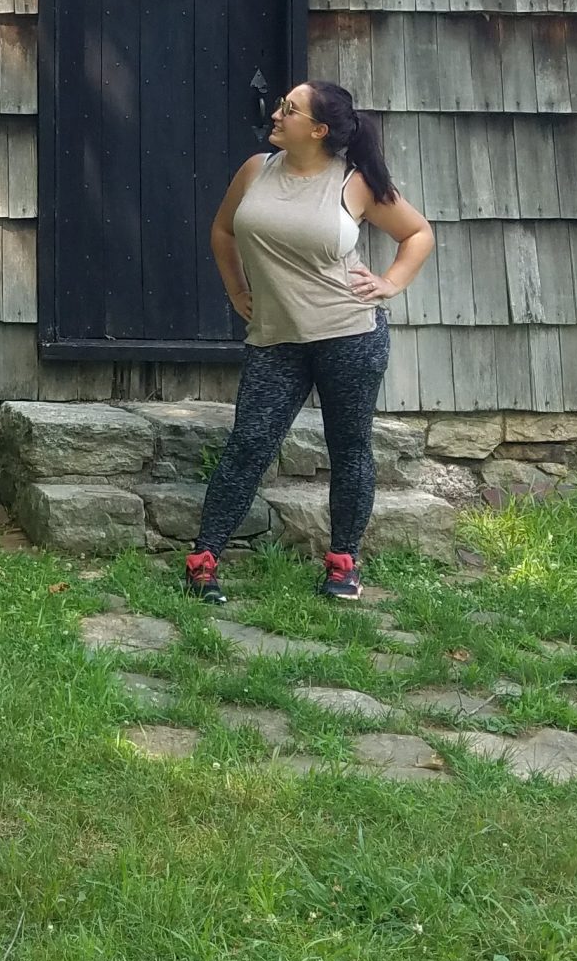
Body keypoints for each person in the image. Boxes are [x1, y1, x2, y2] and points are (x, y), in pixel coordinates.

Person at [184, 80, 435, 604]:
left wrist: (389, 283)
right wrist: (236, 290)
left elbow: (417, 234)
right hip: (276, 339)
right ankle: (203, 562)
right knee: (248, 445)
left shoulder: (356, 183)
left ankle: (344, 564)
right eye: (281, 105)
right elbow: (222, 232)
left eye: (289, 109)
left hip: (350, 335)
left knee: (349, 449)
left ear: (318, 130)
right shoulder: (257, 170)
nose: (277, 114)